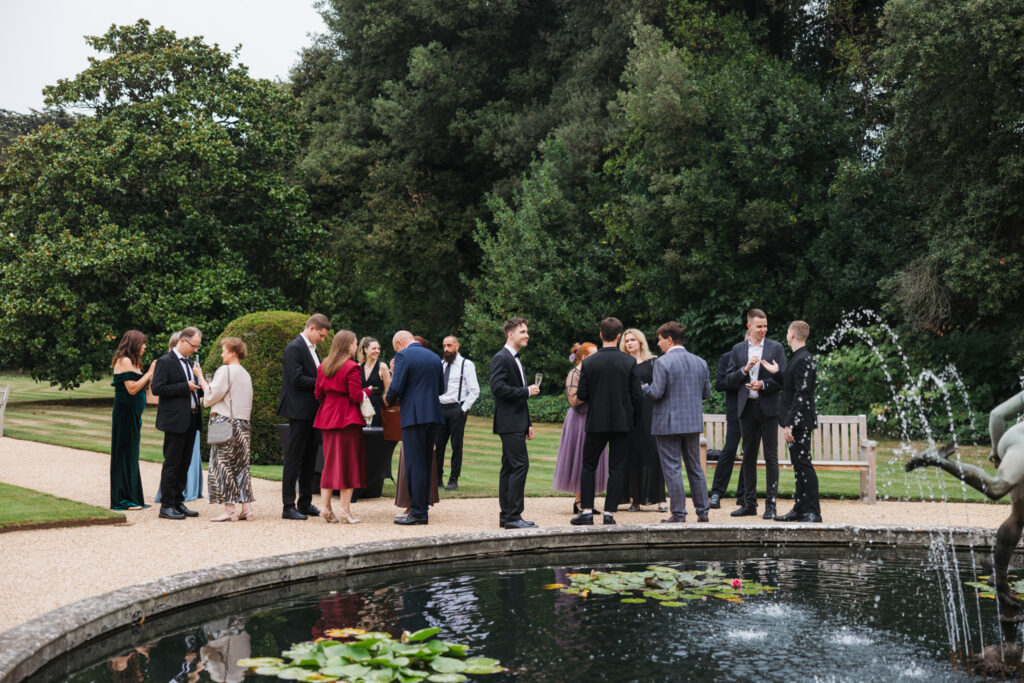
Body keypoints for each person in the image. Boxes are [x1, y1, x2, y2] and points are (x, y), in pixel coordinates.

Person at [571, 317, 642, 526]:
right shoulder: (629, 361)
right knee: (617, 467)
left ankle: (586, 511)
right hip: (622, 422)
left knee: (588, 465)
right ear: (619, 336)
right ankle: (609, 513)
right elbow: (637, 396)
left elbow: (582, 394)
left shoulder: (590, 362)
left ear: (601, 335)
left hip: (597, 421)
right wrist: (634, 420)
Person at [642, 322, 713, 523]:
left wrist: (644, 388)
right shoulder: (700, 362)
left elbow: (656, 392)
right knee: (695, 467)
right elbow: (706, 393)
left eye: (660, 339)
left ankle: (679, 513)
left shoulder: (662, 362)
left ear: (670, 339)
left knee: (672, 468)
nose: (658, 344)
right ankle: (703, 511)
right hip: (691, 422)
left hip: (667, 423)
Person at [726, 309, 787, 519]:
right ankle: (749, 503)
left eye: (765, 326)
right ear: (749, 326)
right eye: (759, 326)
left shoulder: (776, 347)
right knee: (748, 457)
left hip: (768, 408)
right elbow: (728, 380)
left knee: (771, 457)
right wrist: (744, 370)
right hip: (746, 408)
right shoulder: (738, 349)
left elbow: (782, 379)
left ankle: (771, 506)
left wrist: (764, 384)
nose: (763, 330)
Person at [760, 321, 821, 522]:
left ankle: (813, 511)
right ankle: (800, 508)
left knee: (804, 465)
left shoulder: (803, 359)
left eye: (788, 331)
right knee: (799, 465)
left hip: (800, 423)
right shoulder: (798, 357)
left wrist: (790, 424)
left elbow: (801, 395)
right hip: (797, 421)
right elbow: (790, 385)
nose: (787, 334)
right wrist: (777, 373)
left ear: (793, 334)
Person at [386, 330, 444, 525]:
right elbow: (441, 389)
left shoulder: (403, 356)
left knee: (414, 465)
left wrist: (387, 400)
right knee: (425, 463)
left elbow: (396, 387)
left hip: (413, 416)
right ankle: (422, 509)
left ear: (400, 343)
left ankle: (418, 513)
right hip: (433, 415)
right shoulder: (434, 357)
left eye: (396, 349)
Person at [314, 330, 372, 524]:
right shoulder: (352, 367)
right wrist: (367, 392)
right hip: (347, 418)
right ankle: (344, 510)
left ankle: (325, 508)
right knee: (349, 462)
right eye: (355, 343)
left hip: (327, 416)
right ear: (348, 346)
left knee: (330, 462)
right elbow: (355, 395)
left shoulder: (323, 366)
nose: (356, 347)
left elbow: (318, 394)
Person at [277, 313, 331, 521]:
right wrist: (322, 384)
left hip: (312, 411)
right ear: (312, 328)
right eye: (321, 335)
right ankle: (288, 506)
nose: (322, 339)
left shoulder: (313, 349)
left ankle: (305, 502)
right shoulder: (294, 347)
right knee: (294, 457)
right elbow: (296, 378)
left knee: (310, 457)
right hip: (298, 411)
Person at [490, 317, 541, 529]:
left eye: (527, 332)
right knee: (520, 465)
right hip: (508, 422)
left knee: (510, 467)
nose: (527, 335)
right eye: (522, 332)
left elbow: (518, 398)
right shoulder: (501, 358)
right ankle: (513, 516)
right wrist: (526, 391)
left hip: (516, 422)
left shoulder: (515, 359)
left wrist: (527, 423)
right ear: (510, 334)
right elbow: (497, 388)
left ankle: (506, 515)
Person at [151, 326, 205, 520]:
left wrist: (203, 386)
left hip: (191, 418)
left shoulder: (191, 363)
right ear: (183, 341)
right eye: (193, 346)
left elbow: (194, 389)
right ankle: (166, 505)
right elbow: (157, 388)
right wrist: (185, 387)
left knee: (185, 463)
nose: (195, 350)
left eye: (197, 347)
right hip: (175, 420)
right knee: (172, 463)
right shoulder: (165, 362)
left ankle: (178, 501)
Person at [552, 342, 608, 512]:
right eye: (594, 355)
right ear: (584, 357)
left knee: (593, 458)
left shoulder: (595, 372)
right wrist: (595, 393)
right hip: (579, 419)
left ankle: (588, 501)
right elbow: (573, 400)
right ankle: (579, 501)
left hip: (594, 417)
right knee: (579, 458)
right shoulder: (574, 374)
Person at [204, 337, 255, 522]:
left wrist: (201, 378)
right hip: (243, 424)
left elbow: (211, 396)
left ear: (233, 353)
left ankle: (230, 509)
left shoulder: (225, 370)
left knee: (222, 465)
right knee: (242, 466)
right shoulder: (245, 373)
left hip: (225, 422)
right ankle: (247, 509)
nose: (221, 354)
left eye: (224, 351)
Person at [620, 328, 667, 512]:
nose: (629, 343)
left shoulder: (653, 362)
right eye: (626, 340)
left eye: (632, 340)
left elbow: (660, 386)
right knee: (633, 455)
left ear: (640, 341)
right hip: (630, 413)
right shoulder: (623, 363)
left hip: (650, 411)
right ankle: (635, 499)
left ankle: (661, 498)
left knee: (655, 454)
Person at [110, 330, 157, 510]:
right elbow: (132, 389)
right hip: (125, 414)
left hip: (134, 414)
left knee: (131, 453)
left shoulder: (134, 363)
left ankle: (133, 497)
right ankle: (123, 499)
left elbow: (146, 391)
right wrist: (149, 373)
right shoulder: (124, 361)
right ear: (135, 344)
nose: (145, 347)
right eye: (143, 343)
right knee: (124, 453)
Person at [436, 335, 481, 491]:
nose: (446, 349)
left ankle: (453, 479)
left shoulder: (466, 365)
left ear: (457, 346)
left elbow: (474, 390)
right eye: (444, 346)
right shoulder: (440, 364)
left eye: (449, 345)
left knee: (456, 446)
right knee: (438, 446)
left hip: (457, 409)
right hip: (440, 409)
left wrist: (463, 409)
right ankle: (437, 479)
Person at [708, 342, 747, 509]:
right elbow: (720, 384)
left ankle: (744, 494)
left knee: (749, 452)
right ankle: (717, 492)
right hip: (735, 411)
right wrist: (741, 375)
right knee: (729, 450)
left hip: (755, 411)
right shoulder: (728, 357)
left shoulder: (763, 357)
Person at [357, 337, 391, 428]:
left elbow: (388, 391)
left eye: (378, 348)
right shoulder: (358, 367)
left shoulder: (382, 367)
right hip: (360, 407)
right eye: (374, 348)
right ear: (366, 350)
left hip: (376, 408)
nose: (377, 351)